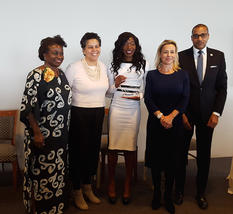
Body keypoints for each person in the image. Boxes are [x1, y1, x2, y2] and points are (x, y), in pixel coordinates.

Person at [174, 24, 227, 209]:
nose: (199, 39)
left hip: (208, 116)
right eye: (196, 36)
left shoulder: (218, 56)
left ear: (208, 36)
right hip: (186, 115)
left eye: (202, 35)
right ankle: (178, 191)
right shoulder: (180, 57)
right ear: (191, 38)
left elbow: (222, 88)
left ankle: (200, 193)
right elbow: (176, 88)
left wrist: (216, 113)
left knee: (204, 156)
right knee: (180, 155)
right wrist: (180, 114)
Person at [20, 35, 71, 214]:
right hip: (43, 135)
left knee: (57, 174)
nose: (59, 56)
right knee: (41, 174)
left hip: (60, 137)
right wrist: (37, 133)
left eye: (61, 53)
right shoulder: (35, 75)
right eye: (55, 53)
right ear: (44, 54)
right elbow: (27, 107)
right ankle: (39, 209)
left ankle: (55, 208)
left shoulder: (61, 74)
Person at [144, 40, 189, 214]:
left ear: (175, 55)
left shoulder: (183, 75)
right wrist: (162, 116)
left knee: (172, 162)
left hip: (175, 125)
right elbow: (148, 99)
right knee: (156, 161)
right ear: (160, 54)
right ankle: (156, 194)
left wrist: (171, 117)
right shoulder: (151, 75)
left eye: (172, 52)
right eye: (165, 52)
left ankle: (168, 196)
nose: (169, 55)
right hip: (156, 124)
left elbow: (184, 99)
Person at [65, 32, 109, 210]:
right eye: (90, 46)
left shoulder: (103, 67)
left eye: (97, 46)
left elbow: (109, 91)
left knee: (92, 152)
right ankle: (76, 191)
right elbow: (64, 93)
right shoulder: (73, 67)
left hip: (98, 112)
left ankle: (87, 187)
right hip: (78, 114)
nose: (94, 49)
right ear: (83, 50)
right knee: (78, 153)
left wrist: (120, 85)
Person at [107, 32, 149, 205]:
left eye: (132, 43)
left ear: (136, 46)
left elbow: (145, 90)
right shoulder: (112, 65)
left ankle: (126, 184)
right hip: (117, 108)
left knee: (130, 148)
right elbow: (108, 93)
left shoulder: (143, 65)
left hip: (133, 110)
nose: (129, 47)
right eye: (125, 43)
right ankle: (110, 183)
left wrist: (138, 97)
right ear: (120, 46)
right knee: (113, 147)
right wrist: (115, 84)